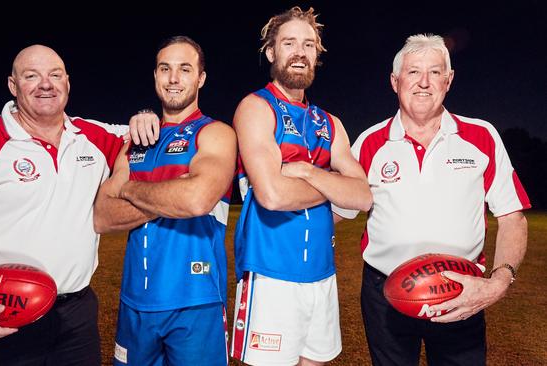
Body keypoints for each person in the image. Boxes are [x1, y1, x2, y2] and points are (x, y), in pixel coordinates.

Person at [0, 44, 158, 365]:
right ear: (13, 86)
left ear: (67, 83)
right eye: (32, 76)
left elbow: (154, 138)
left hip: (76, 315)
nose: (46, 84)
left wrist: (145, 116)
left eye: (55, 75)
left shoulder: (94, 137)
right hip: (1, 311)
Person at [338, 34, 530, 365]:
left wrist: (499, 281)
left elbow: (513, 216)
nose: (424, 82)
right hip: (386, 293)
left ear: (449, 80)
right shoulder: (369, 142)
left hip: (461, 290)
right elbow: (336, 211)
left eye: (435, 72)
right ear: (395, 81)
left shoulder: (481, 136)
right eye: (413, 72)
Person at [230, 7, 372, 366]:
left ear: (317, 56)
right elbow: (272, 194)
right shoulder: (255, 108)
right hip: (270, 276)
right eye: (289, 42)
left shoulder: (330, 123)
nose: (300, 51)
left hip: (322, 276)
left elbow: (364, 196)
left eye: (309, 44)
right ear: (271, 52)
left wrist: (308, 173)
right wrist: (335, 185)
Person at [93, 36, 237, 366]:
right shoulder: (134, 143)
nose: (173, 78)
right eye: (165, 69)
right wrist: (173, 191)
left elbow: (196, 200)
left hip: (195, 301)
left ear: (200, 78)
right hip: (135, 304)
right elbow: (101, 216)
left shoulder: (214, 133)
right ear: (156, 76)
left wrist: (128, 189)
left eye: (184, 69)